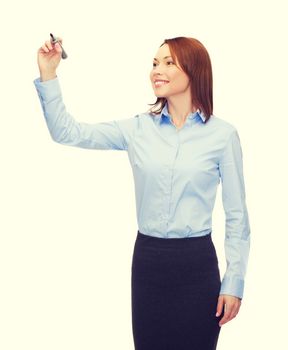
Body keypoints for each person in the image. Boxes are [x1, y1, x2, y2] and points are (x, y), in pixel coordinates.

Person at [34, 35, 251, 350]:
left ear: (194, 71)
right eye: (153, 63)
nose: (156, 70)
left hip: (196, 267)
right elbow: (67, 132)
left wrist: (234, 283)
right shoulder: (137, 129)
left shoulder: (222, 136)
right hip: (148, 264)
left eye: (167, 63)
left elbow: (237, 215)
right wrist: (49, 74)